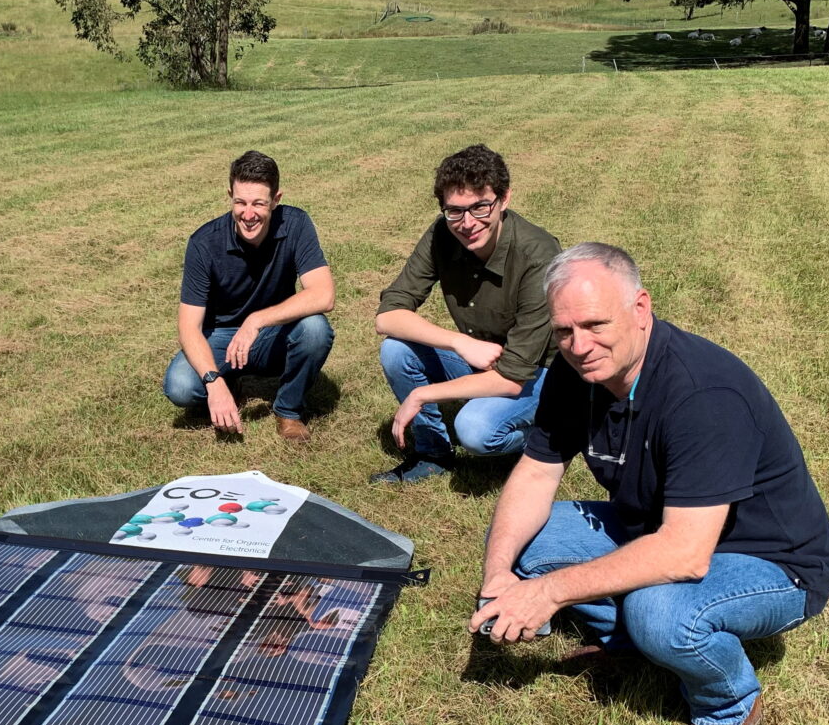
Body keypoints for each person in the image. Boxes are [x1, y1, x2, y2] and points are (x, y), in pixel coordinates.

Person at [469, 243, 829, 725]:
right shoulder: (576, 373)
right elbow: (533, 474)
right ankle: (633, 643)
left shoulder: (703, 393)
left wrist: (547, 593)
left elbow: (686, 554)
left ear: (641, 309)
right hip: (657, 525)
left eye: (596, 324)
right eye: (564, 331)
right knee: (531, 539)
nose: (580, 345)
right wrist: (500, 576)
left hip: (772, 562)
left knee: (661, 611)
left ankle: (728, 706)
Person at [372, 144, 559, 483]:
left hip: (539, 372)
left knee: (474, 429)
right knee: (396, 349)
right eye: (454, 211)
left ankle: (554, 436)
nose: (467, 223)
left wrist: (422, 393)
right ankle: (433, 453)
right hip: (482, 358)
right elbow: (387, 316)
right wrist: (458, 342)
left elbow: (514, 375)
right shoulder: (442, 233)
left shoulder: (538, 254)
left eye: (480, 207)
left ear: (504, 200)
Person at [163, 151, 335, 442]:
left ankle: (288, 411)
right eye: (240, 202)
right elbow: (188, 327)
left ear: (276, 199)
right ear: (230, 194)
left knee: (315, 329)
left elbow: (324, 294)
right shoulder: (204, 243)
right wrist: (212, 382)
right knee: (180, 387)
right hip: (221, 336)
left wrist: (256, 321)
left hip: (273, 332)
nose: (248, 214)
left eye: (259, 203)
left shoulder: (296, 224)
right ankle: (227, 381)